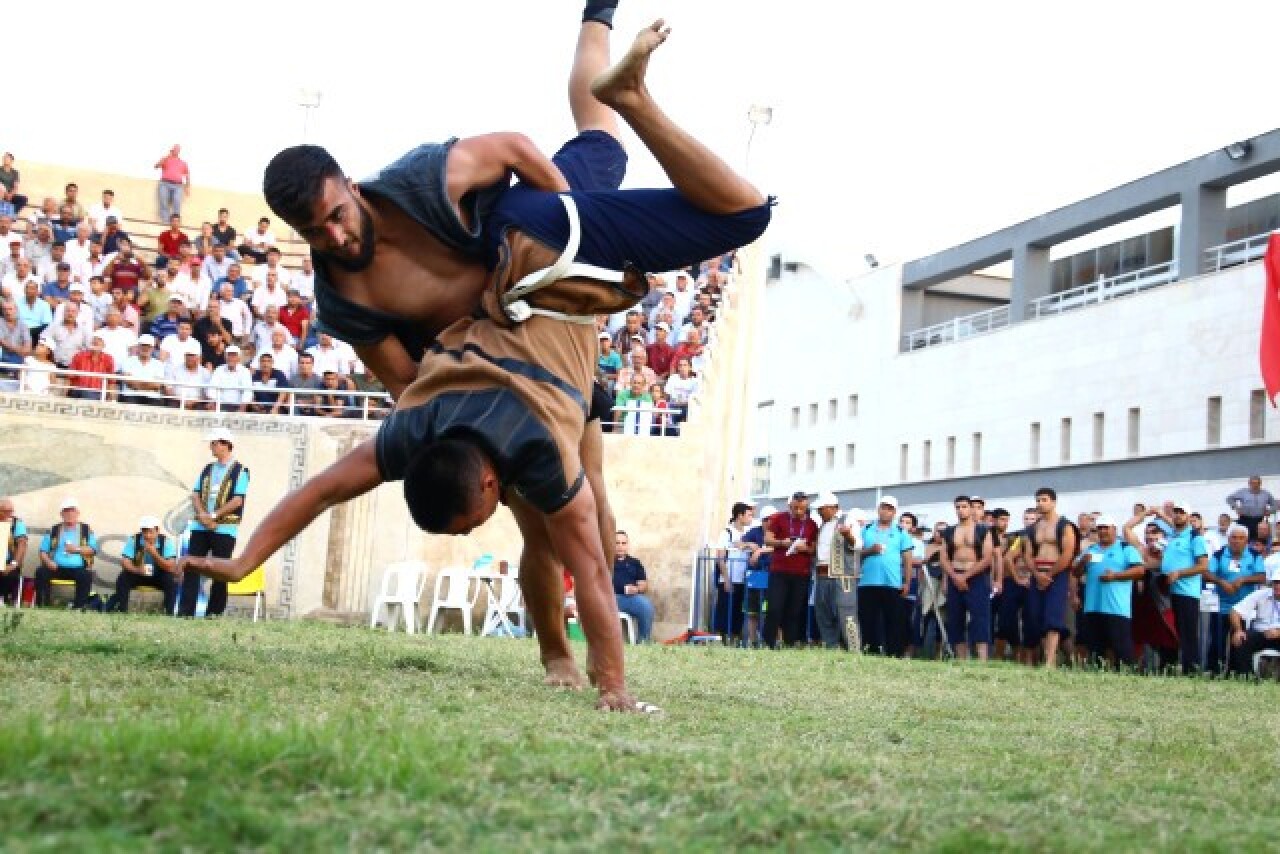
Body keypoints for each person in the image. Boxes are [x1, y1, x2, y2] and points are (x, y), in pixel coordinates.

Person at [187, 11, 768, 711]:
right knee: (601, 140)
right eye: (316, 231)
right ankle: (599, 19)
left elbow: (518, 147)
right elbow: (407, 387)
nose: (336, 237)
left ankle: (564, 655)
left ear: (350, 185)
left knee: (738, 217)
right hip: (528, 363)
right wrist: (249, 556)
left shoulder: (419, 180)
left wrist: (572, 224)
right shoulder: (345, 299)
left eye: (339, 214)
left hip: (541, 251)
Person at [179, 428, 250, 618]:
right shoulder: (207, 468)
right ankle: (186, 612)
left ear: (225, 444)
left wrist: (213, 516)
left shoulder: (241, 470)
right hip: (200, 525)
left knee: (220, 571)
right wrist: (203, 514)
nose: (212, 447)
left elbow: (237, 500)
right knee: (192, 566)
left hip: (225, 528)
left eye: (214, 443)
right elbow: (195, 494)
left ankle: (214, 613)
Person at [1073, 515, 1144, 668]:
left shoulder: (1126, 548)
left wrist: (1116, 576)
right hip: (1093, 607)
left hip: (1116, 608)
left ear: (1114, 529)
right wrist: (1083, 562)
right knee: (1096, 648)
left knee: (1121, 648)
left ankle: (1127, 676)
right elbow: (1075, 573)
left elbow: (1139, 570)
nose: (1103, 531)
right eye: (1100, 528)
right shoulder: (1090, 550)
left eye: (1106, 528)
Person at [1153, 499, 1209, 674]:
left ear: (1188, 516)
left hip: (1186, 591)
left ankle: (1191, 669)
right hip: (1170, 590)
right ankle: (1170, 666)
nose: (1178, 515)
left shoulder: (1194, 537)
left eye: (1181, 512)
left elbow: (1202, 566)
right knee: (1172, 631)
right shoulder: (1172, 535)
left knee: (1188, 632)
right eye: (1176, 512)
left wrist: (1179, 573)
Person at [938, 495, 996, 661]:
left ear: (971, 508)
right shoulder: (949, 531)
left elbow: (987, 558)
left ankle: (982, 659)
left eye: (964, 506)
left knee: (980, 617)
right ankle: (961, 658)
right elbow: (943, 558)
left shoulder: (983, 530)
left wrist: (966, 576)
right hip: (955, 574)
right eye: (958, 507)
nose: (961, 510)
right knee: (955, 618)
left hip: (976, 576)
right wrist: (955, 576)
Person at [1203, 523, 1266, 674]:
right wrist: (1220, 581)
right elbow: (1206, 574)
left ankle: (1236, 671)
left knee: (1239, 640)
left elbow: (1262, 577)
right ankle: (1214, 670)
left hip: (1244, 609)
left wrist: (1243, 580)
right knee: (1217, 641)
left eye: (1241, 538)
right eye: (1233, 537)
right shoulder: (1219, 554)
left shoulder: (1254, 555)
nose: (1237, 541)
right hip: (1221, 606)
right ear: (1228, 539)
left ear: (1246, 540)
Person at [1025, 487, 1077, 668]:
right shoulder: (1034, 528)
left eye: (1044, 500)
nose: (1040, 503)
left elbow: (1068, 553)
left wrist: (1049, 574)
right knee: (1036, 616)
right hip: (1037, 573)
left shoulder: (1065, 525)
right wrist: (1037, 574)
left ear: (1053, 502)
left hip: (1057, 573)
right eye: (1038, 500)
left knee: (1053, 618)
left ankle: (1050, 661)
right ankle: (1046, 657)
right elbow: (1028, 554)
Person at [857, 496, 915, 657]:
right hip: (867, 582)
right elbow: (856, 553)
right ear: (878, 509)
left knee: (894, 621)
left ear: (894, 512)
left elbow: (907, 558)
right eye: (883, 507)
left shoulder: (901, 532)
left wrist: (907, 582)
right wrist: (870, 551)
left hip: (892, 583)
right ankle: (870, 651)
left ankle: (894, 653)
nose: (886, 511)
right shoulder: (866, 529)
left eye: (890, 509)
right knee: (868, 620)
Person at [763, 492, 818, 648]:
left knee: (794, 610)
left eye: (801, 508)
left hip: (801, 573)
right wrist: (782, 543)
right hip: (779, 571)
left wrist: (805, 548)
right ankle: (768, 643)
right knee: (774, 608)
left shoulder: (812, 524)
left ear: (806, 506)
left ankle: (789, 643)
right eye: (795, 508)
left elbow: (813, 548)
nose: (798, 511)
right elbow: (767, 539)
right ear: (789, 506)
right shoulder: (778, 518)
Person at [812, 495, 863, 650]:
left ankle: (854, 648)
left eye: (821, 509)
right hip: (821, 575)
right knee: (823, 612)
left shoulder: (848, 520)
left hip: (842, 576)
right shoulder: (822, 525)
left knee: (846, 612)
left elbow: (858, 545)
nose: (819, 512)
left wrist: (848, 535)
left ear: (832, 507)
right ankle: (831, 646)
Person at [35, 498, 97, 608]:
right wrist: (48, 562)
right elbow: (43, 551)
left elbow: (93, 550)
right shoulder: (54, 530)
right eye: (66, 511)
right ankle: (42, 605)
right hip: (56, 567)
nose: (69, 513)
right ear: (61, 513)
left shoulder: (86, 530)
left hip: (78, 568)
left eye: (72, 510)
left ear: (78, 513)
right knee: (41, 572)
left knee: (86, 575)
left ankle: (79, 607)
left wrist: (76, 549)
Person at [113, 516, 179, 613]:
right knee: (123, 578)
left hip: (159, 575)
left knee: (171, 581)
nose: (147, 535)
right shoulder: (134, 539)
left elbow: (170, 566)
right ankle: (122, 610)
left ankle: (169, 612)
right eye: (144, 532)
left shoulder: (166, 542)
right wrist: (137, 570)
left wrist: (154, 554)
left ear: (157, 531)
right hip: (139, 574)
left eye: (151, 532)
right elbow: (125, 561)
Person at [1226, 557, 1280, 676]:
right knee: (1242, 638)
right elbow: (1235, 611)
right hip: (1262, 634)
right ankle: (1245, 676)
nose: (1277, 586)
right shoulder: (1261, 594)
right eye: (1276, 582)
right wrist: (1239, 630)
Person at [713, 501, 753, 641]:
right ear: (739, 515)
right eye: (748, 515)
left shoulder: (749, 533)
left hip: (743, 578)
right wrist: (726, 578)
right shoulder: (727, 533)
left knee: (738, 610)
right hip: (729, 578)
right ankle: (723, 637)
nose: (750, 518)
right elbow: (720, 557)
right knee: (725, 609)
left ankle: (735, 636)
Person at [611, 530, 654, 642]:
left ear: (627, 545)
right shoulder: (606, 561)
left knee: (646, 606)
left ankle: (643, 643)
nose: (620, 546)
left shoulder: (635, 563)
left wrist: (637, 589)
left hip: (631, 599)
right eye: (617, 543)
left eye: (623, 543)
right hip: (611, 598)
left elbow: (644, 585)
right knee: (643, 603)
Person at [1227, 476, 1275, 542]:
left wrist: (1270, 511)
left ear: (1260, 484)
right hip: (1244, 519)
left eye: (1257, 483)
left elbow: (1274, 504)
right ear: (1249, 483)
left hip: (1259, 520)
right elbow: (1229, 499)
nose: (1255, 485)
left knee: (1259, 540)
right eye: (1253, 483)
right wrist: (1236, 507)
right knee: (1244, 538)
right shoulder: (1243, 492)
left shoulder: (1266, 494)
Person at [0, 497, 29, 605]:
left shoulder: (17, 523)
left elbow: (22, 544)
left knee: (10, 572)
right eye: (6, 511)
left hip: (9, 561)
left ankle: (1, 597)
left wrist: (14, 563)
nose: (9, 514)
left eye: (11, 511)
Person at [155, 144, 191, 222]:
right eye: (175, 149)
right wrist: (167, 156)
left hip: (178, 186)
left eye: (178, 149)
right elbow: (156, 166)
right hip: (164, 184)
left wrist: (187, 186)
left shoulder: (183, 163)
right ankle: (166, 221)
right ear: (172, 149)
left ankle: (175, 222)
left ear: (179, 151)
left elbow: (187, 174)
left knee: (177, 202)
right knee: (163, 202)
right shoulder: (166, 159)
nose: (176, 150)